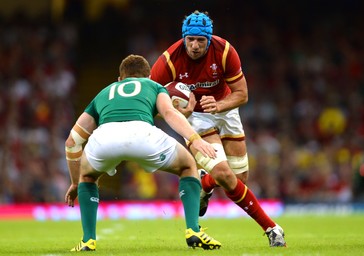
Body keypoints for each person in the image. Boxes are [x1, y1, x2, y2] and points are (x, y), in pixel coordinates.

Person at [150, 10, 286, 247]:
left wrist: (219, 104)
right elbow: (150, 98)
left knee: (238, 179)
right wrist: (179, 112)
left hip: (226, 110)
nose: (194, 45)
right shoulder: (169, 60)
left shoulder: (224, 52)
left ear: (209, 39)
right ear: (184, 38)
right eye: (190, 39)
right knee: (225, 175)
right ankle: (272, 228)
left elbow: (242, 94)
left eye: (200, 40)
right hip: (196, 118)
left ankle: (205, 183)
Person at [64, 54, 221, 251]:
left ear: (119, 79)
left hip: (105, 136)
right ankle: (193, 230)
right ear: (148, 76)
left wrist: (75, 182)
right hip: (143, 134)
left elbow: (72, 142)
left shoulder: (103, 93)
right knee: (188, 166)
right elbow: (168, 113)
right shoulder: (154, 86)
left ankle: (88, 240)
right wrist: (194, 139)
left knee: (87, 177)